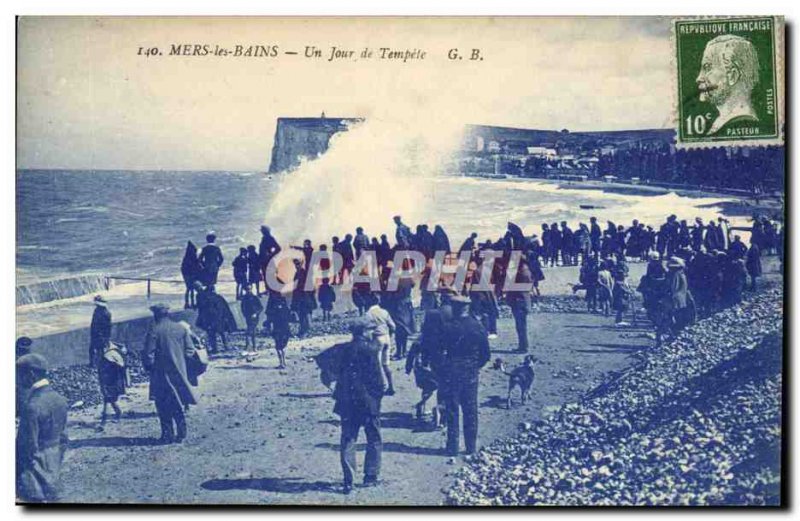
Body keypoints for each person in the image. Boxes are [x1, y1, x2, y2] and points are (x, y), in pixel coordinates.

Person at [333, 318, 385, 494]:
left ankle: (349, 480)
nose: (372, 333)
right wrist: (378, 396)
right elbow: (378, 379)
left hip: (347, 401)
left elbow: (332, 370)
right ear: (363, 332)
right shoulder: (370, 350)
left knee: (348, 439)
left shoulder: (343, 349)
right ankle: (371, 476)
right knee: (374, 438)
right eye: (370, 330)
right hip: (368, 401)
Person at [441, 295, 490, 456]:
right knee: (471, 410)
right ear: (467, 308)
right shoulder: (478, 326)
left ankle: (453, 447)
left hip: (451, 371)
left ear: (455, 308)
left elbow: (439, 351)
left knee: (452, 410)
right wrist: (475, 366)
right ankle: (470, 447)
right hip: (470, 372)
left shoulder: (447, 327)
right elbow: (485, 355)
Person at [16, 353, 69, 503]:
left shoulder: (32, 406)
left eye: (19, 375)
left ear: (31, 374)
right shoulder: (59, 398)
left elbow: (27, 445)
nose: (17, 380)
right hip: (54, 462)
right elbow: (64, 436)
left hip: (35, 468)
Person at [143, 304, 197, 444]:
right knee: (178, 400)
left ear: (155, 315)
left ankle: (167, 435)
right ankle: (182, 432)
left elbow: (149, 355)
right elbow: (190, 351)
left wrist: (149, 367)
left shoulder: (154, 330)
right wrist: (180, 362)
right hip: (179, 372)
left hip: (161, 373)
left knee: (162, 403)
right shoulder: (180, 328)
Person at [365, 293, 397, 396]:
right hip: (386, 337)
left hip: (377, 339)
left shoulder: (368, 314)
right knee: (386, 364)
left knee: (376, 365)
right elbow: (393, 326)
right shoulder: (384, 312)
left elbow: (366, 330)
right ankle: (391, 386)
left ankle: (381, 386)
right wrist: (390, 336)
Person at [194, 282, 237, 353]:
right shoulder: (217, 297)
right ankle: (226, 347)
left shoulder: (202, 296)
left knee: (212, 334)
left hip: (211, 319)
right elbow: (224, 308)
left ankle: (215, 349)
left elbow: (203, 309)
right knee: (222, 333)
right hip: (219, 318)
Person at [98, 341, 128, 426]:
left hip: (111, 379)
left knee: (108, 398)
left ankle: (104, 420)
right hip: (107, 378)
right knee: (108, 398)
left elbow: (121, 366)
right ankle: (115, 413)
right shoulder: (112, 350)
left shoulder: (112, 352)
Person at [505, 263, 533, 353]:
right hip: (523, 302)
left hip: (519, 302)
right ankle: (523, 346)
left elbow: (517, 289)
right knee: (521, 326)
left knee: (521, 326)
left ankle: (523, 347)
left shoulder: (521, 273)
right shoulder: (525, 271)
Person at [291, 259, 317, 336]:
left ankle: (304, 330)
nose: (296, 266)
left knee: (304, 314)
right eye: (295, 264)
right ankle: (304, 330)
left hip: (305, 296)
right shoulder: (297, 273)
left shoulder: (304, 273)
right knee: (302, 314)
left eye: (298, 264)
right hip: (300, 296)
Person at [89, 295, 112, 367]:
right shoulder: (107, 313)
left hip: (97, 335)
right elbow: (109, 326)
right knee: (100, 349)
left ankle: (94, 363)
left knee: (95, 349)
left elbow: (95, 325)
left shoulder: (98, 312)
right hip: (103, 335)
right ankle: (99, 363)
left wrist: (96, 334)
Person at [270, 293, 291, 369]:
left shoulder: (274, 311)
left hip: (277, 330)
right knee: (284, 347)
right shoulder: (286, 309)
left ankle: (281, 363)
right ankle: (284, 362)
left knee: (278, 347)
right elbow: (290, 318)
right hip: (285, 329)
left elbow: (270, 320)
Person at [240, 284, 264, 350]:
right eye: (247, 289)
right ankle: (252, 346)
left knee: (251, 331)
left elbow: (261, 307)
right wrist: (245, 315)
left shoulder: (254, 297)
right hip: (248, 317)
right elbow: (242, 308)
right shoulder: (244, 298)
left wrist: (256, 313)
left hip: (255, 318)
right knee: (251, 331)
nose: (249, 290)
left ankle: (251, 346)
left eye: (250, 289)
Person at [181, 241, 202, 309]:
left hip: (186, 275)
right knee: (191, 289)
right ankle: (192, 303)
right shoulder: (193, 258)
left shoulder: (186, 258)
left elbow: (183, 268)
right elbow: (197, 266)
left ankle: (187, 303)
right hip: (191, 275)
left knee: (189, 289)